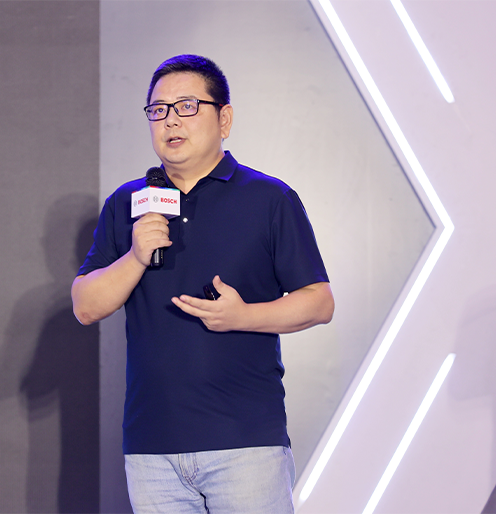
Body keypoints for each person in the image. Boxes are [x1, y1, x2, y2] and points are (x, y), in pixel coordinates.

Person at [72, 54, 334, 513]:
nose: (170, 120)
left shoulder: (269, 198)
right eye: (158, 110)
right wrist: (135, 256)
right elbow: (85, 305)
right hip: (153, 449)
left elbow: (319, 302)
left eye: (187, 106)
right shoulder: (127, 202)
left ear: (224, 118)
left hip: (246, 444)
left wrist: (243, 316)